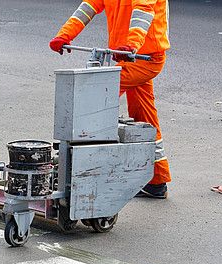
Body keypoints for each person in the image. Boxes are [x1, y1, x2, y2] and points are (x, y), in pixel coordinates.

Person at [49, 0, 171, 198]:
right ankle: (156, 181)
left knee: (93, 101)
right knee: (143, 115)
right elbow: (89, 6)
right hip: (126, 54)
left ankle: (78, 170)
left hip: (143, 57)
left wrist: (132, 44)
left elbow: (144, 11)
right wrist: (65, 34)